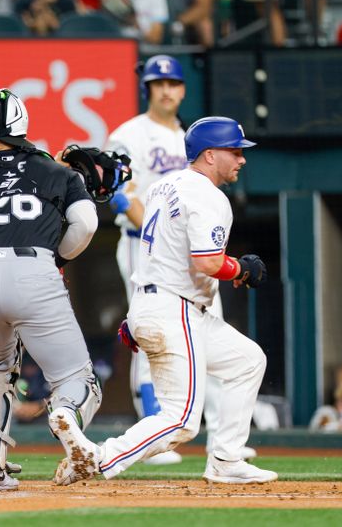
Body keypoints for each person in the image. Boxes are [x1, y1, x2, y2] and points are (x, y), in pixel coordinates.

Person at [51, 116, 277, 486]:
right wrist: (240, 268)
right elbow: (207, 262)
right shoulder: (208, 195)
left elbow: (163, 251)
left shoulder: (164, 186)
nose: (242, 159)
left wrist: (140, 313)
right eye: (234, 151)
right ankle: (98, 458)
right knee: (182, 419)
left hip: (162, 303)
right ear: (209, 155)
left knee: (248, 361)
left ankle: (226, 460)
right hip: (176, 310)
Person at [0, 88, 102, 490]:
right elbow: (87, 224)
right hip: (35, 269)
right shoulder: (57, 171)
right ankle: (66, 415)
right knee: (77, 378)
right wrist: (53, 257)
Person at [106, 55, 256, 465]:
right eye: (158, 83)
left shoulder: (189, 135)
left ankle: (223, 444)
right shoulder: (128, 134)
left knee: (216, 335)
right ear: (148, 88)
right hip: (147, 246)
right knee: (159, 336)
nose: (166, 90)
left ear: (183, 88)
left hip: (192, 251)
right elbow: (119, 192)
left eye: (173, 82)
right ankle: (157, 427)